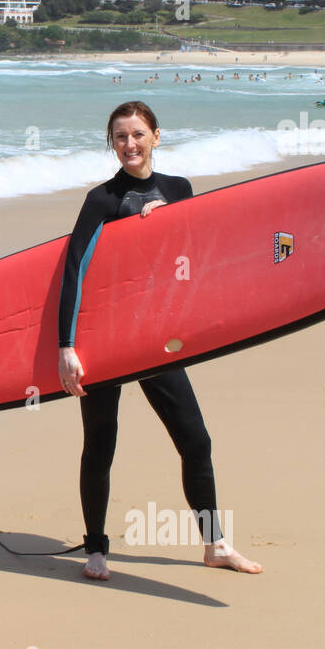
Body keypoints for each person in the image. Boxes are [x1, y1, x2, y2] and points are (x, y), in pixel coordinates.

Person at [57, 101, 262, 582]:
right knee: (101, 443)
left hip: (154, 338)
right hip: (105, 337)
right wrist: (67, 347)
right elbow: (73, 271)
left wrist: (167, 224)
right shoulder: (102, 199)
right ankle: (95, 550)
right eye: (120, 136)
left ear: (156, 136)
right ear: (111, 142)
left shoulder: (178, 190)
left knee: (196, 440)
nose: (129, 144)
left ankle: (215, 545)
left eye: (137, 134)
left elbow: (191, 257)